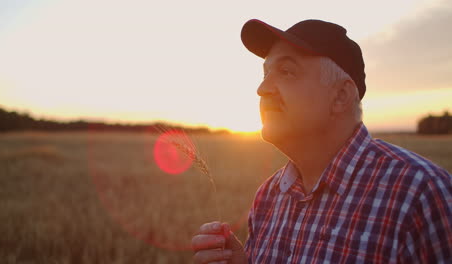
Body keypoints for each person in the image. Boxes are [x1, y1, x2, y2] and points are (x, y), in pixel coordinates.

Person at [191, 19, 452, 264]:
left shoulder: (421, 192)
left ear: (340, 96)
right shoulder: (268, 198)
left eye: (286, 71)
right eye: (265, 74)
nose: (263, 89)